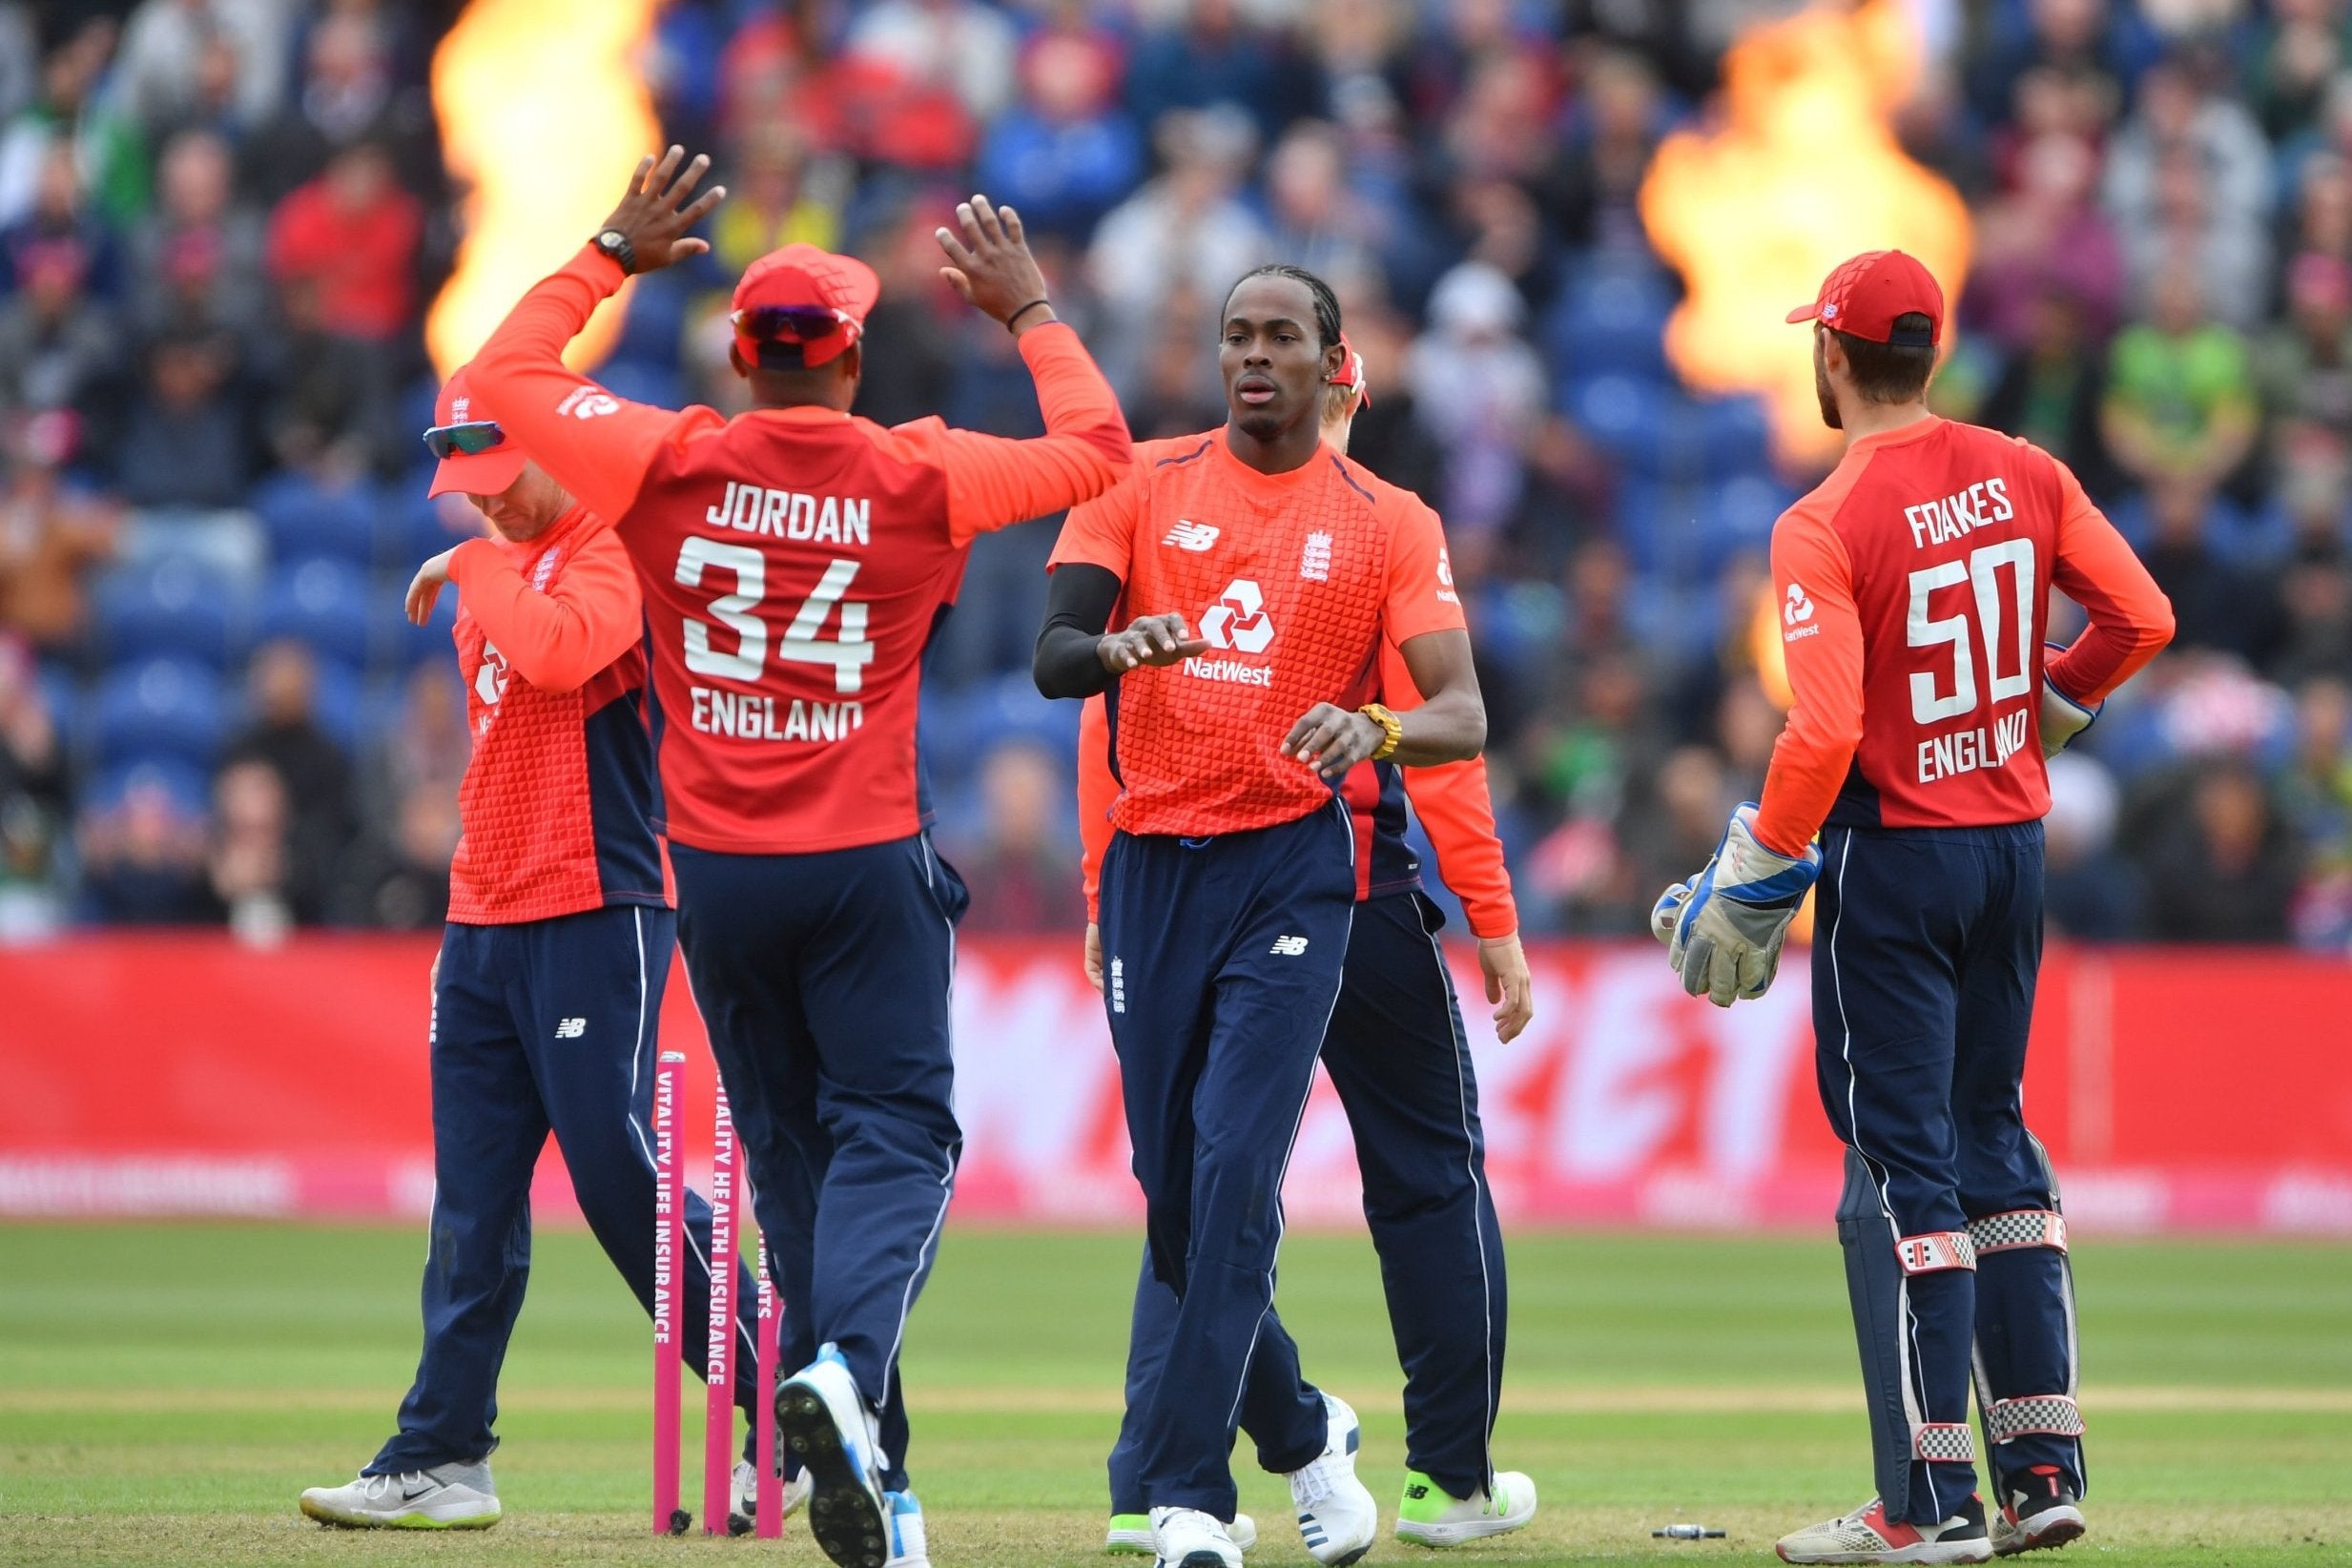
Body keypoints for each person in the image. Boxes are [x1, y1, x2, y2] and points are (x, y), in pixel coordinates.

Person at [464, 150, 1132, 1568]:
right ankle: (840, 1376)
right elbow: (1100, 455)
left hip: (711, 872)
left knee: (786, 1156)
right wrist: (1027, 311)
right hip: (863, 859)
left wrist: (606, 253)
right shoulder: (918, 472)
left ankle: (875, 1479)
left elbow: (503, 376)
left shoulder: (660, 459)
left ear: (736, 352)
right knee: (898, 1133)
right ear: (851, 355)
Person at [1651, 251, 2174, 1564]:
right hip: (2009, 852)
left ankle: (1928, 1506)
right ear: (1926, 354)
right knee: (1994, 1141)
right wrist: (2038, 716)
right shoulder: (2025, 471)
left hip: (1894, 860)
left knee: (1902, 1170)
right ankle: (2041, 1469)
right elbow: (2140, 616)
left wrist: (1756, 871)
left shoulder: (1819, 521)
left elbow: (1822, 728)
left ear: (1831, 359)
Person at [1033, 262, 1487, 1568]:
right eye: (1234, 332)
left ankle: (1187, 1499)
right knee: (1173, 1192)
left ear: (1329, 358)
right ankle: (1299, 1434)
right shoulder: (1139, 482)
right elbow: (1052, 654)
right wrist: (1116, 651)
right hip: (1150, 871)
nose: (1252, 355)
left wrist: (1378, 723)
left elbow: (1462, 711)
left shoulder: (1388, 521)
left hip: (1291, 870)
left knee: (1234, 1169)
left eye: (1280, 335)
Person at [297, 366, 763, 1532]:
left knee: (618, 1181)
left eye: (506, 485)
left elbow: (562, 655)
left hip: (598, 905)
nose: (488, 509)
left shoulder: (617, 550)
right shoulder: (495, 571)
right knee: (473, 1201)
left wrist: (470, 563)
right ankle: (443, 1454)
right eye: (472, 495)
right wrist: (483, 565)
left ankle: (795, 1399)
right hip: (484, 913)